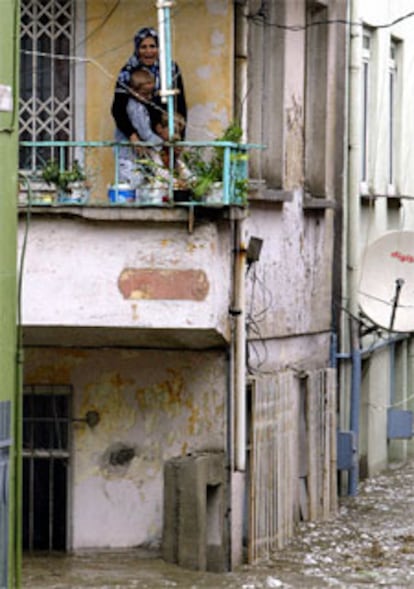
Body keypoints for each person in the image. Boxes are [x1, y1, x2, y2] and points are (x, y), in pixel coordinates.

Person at [111, 26, 187, 145]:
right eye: (143, 47)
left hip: (164, 134)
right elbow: (118, 108)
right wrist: (132, 135)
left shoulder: (170, 69)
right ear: (137, 48)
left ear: (159, 48)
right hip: (134, 135)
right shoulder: (128, 72)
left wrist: (179, 137)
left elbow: (180, 104)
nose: (148, 51)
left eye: (152, 46)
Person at [114, 67, 163, 188]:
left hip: (133, 156)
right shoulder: (136, 108)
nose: (149, 97)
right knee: (133, 186)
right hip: (130, 157)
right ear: (133, 91)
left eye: (151, 93)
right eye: (145, 93)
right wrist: (162, 144)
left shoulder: (140, 106)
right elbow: (144, 133)